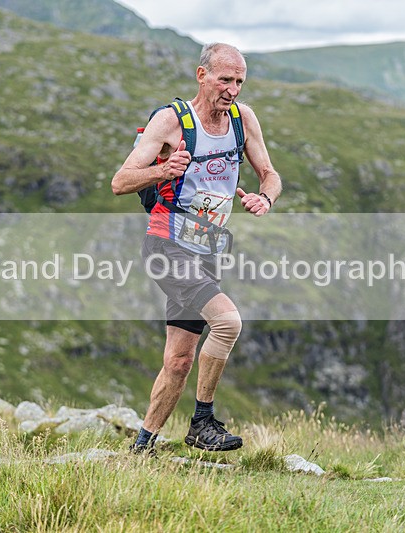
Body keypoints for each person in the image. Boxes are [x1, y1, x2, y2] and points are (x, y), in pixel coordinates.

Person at [111, 42, 282, 453]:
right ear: (202, 75)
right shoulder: (171, 121)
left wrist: (265, 198)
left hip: (207, 250)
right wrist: (162, 171)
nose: (233, 90)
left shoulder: (243, 120)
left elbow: (270, 173)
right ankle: (202, 423)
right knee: (228, 323)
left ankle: (141, 448)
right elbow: (120, 181)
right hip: (167, 244)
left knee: (179, 361)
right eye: (225, 80)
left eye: (239, 81)